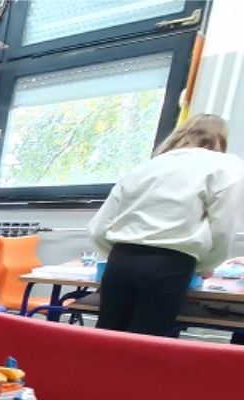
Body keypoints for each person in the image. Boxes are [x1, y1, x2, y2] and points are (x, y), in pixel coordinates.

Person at [88, 114, 244, 337]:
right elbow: (223, 227)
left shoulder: (147, 166)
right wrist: (205, 264)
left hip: (121, 260)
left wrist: (116, 254)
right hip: (170, 263)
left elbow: (98, 228)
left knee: (107, 338)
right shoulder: (226, 166)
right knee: (146, 343)